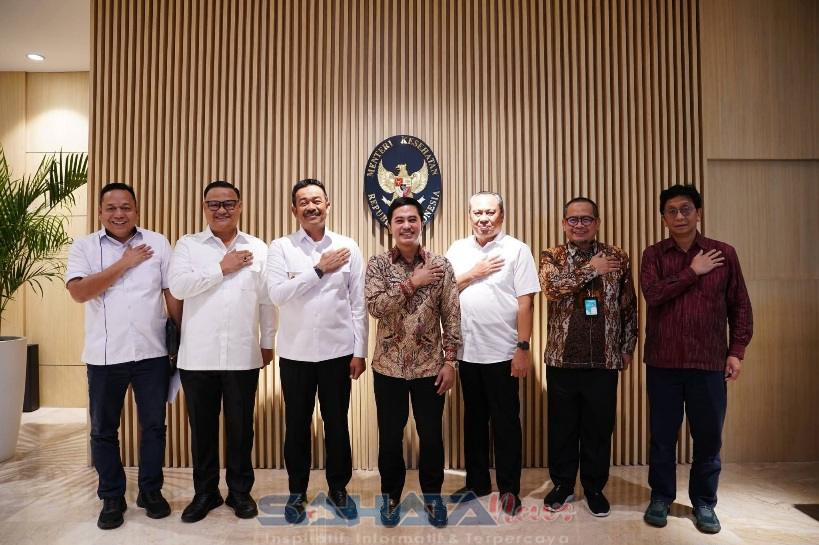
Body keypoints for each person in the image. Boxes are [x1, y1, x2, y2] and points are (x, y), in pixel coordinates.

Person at [66, 182, 181, 530]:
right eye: (111, 208)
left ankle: (150, 491)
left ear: (136, 210)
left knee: (154, 427)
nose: (119, 214)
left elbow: (170, 293)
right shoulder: (84, 247)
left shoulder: (158, 243)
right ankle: (112, 497)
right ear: (101, 212)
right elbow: (79, 292)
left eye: (126, 207)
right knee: (104, 430)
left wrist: (183, 336)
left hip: (152, 353)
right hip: (104, 356)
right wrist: (125, 263)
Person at [640, 184, 752, 534]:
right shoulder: (654, 255)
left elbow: (740, 305)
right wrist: (693, 271)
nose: (679, 216)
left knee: (708, 437)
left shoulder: (723, 253)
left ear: (698, 213)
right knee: (662, 437)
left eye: (686, 209)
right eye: (671, 211)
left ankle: (704, 502)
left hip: (708, 362)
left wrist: (736, 351)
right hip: (664, 362)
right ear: (663, 218)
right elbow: (653, 295)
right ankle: (661, 497)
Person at [168, 180, 276, 523]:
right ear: (204, 208)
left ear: (240, 206)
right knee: (202, 430)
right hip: (197, 356)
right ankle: (206, 493)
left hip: (243, 353)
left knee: (242, 429)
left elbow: (266, 301)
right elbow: (178, 287)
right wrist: (222, 267)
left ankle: (240, 491)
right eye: (213, 204)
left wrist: (267, 341)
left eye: (229, 203)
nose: (222, 210)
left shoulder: (258, 247)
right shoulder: (188, 245)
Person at [266, 179, 367, 523]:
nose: (311, 206)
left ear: (328, 205)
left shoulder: (348, 246)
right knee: (297, 426)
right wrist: (319, 269)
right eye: (303, 201)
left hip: (338, 353)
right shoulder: (281, 248)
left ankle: (339, 489)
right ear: (294, 209)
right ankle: (297, 492)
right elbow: (278, 294)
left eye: (317, 200)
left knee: (337, 425)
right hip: (296, 354)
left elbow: (358, 303)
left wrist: (359, 351)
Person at [365, 197, 462, 528]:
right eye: (399, 220)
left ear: (422, 223)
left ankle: (433, 497)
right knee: (390, 438)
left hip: (430, 367)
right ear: (390, 226)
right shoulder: (378, 265)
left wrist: (451, 362)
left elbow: (452, 315)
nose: (406, 225)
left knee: (431, 436)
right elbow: (376, 307)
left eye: (412, 219)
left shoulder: (441, 265)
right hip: (388, 368)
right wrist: (414, 282)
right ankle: (391, 497)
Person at [539, 197, 637, 517]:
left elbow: (628, 305)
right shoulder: (551, 255)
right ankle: (563, 485)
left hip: (604, 359)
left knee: (598, 429)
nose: (579, 225)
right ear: (563, 223)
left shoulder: (618, 256)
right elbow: (551, 288)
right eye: (573, 219)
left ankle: (594, 488)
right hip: (562, 359)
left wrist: (627, 346)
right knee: (562, 429)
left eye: (586, 219)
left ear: (597, 223)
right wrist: (591, 268)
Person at [444, 191, 540, 515]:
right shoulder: (457, 249)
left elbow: (526, 303)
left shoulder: (517, 250)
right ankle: (477, 483)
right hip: (467, 350)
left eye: (490, 212)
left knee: (506, 423)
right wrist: (474, 272)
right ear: (469, 216)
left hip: (503, 351)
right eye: (477, 213)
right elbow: (445, 292)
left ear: (501, 215)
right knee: (473, 420)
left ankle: (509, 489)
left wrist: (522, 347)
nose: (483, 219)